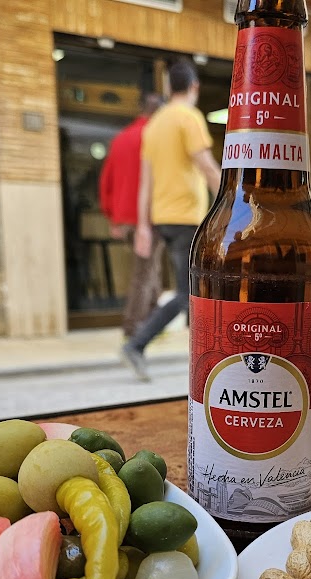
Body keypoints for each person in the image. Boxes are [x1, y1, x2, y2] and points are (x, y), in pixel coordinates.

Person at [123, 60, 221, 380]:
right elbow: (206, 166)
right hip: (186, 218)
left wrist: (142, 225)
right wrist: (235, 204)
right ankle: (137, 344)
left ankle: (208, 352)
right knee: (189, 293)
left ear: (169, 88)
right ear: (194, 87)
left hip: (163, 218)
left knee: (193, 290)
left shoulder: (155, 123)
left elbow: (145, 182)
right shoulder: (188, 117)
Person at [99, 93, 164, 340]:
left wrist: (111, 217)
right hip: (146, 217)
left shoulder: (121, 138)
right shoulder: (154, 137)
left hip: (124, 218)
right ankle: (134, 328)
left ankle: (154, 319)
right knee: (144, 273)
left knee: (149, 268)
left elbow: (106, 181)